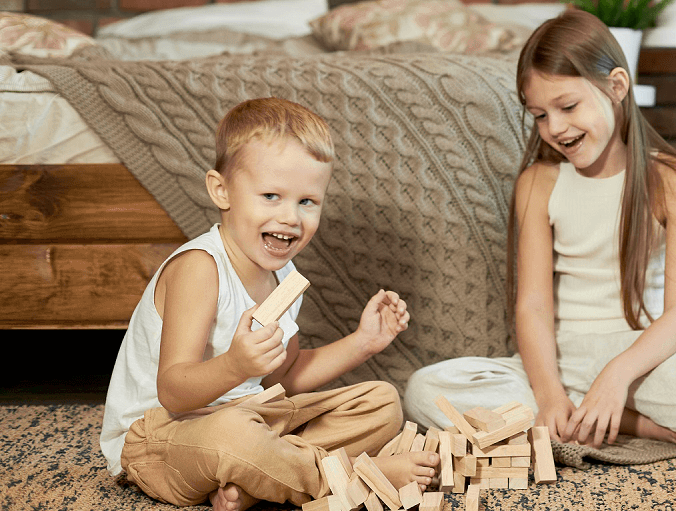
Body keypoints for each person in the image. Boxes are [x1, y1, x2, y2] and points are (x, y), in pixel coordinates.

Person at [403, 9, 676, 450]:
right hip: (564, 359)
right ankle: (625, 421)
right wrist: (549, 393)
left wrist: (615, 376)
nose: (554, 128)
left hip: (645, 362)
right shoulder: (538, 183)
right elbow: (532, 306)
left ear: (616, 87)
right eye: (539, 115)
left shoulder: (673, 181)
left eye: (568, 106)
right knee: (423, 390)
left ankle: (607, 407)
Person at [100, 98, 438, 511]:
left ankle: (255, 480)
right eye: (271, 196)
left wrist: (363, 342)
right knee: (236, 436)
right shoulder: (200, 268)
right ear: (221, 190)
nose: (291, 218)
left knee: (382, 403)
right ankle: (354, 475)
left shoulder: (284, 277)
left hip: (250, 416)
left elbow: (285, 378)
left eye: (307, 201)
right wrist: (235, 366)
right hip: (159, 438)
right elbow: (172, 392)